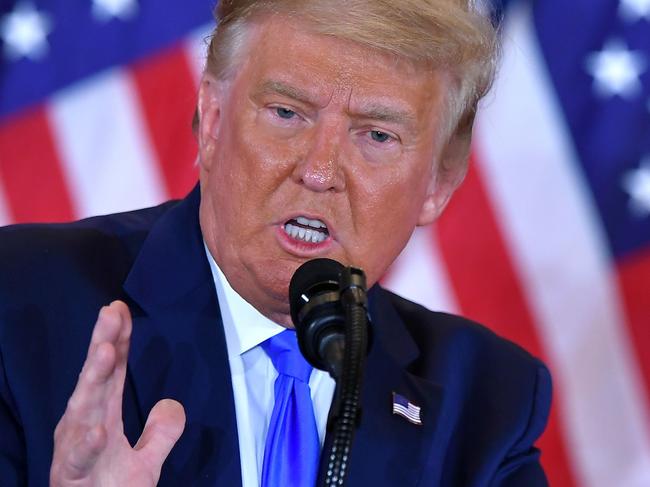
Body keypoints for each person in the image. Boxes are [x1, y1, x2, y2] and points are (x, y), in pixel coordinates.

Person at [0, 1, 552, 486]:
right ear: (213, 121)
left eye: (377, 135)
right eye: (287, 113)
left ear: (437, 185)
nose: (319, 171)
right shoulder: (21, 303)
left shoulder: (485, 403)